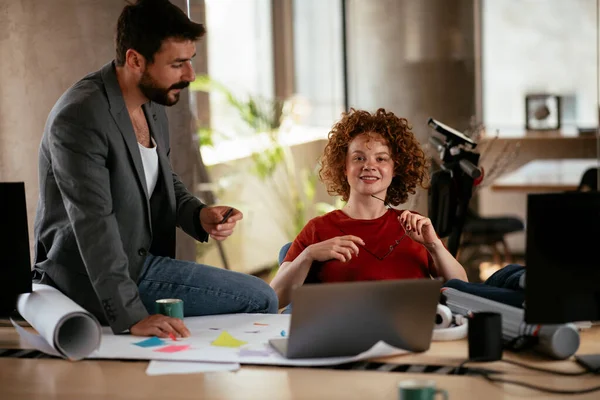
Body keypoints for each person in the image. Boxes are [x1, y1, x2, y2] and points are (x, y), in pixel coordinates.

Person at [33, 0, 278, 338]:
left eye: (190, 61)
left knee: (257, 298)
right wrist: (131, 315)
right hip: (92, 278)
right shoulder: (79, 117)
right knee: (261, 297)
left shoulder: (152, 103)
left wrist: (198, 214)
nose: (190, 75)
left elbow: (160, 179)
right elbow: (94, 224)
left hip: (140, 262)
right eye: (178, 64)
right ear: (135, 60)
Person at [270, 108, 468, 309]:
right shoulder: (318, 229)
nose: (369, 166)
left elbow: (463, 289)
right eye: (359, 158)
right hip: (345, 335)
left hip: (410, 334)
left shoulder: (416, 226)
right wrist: (308, 255)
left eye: (381, 159)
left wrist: (433, 245)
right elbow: (275, 298)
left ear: (395, 168)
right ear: (344, 167)